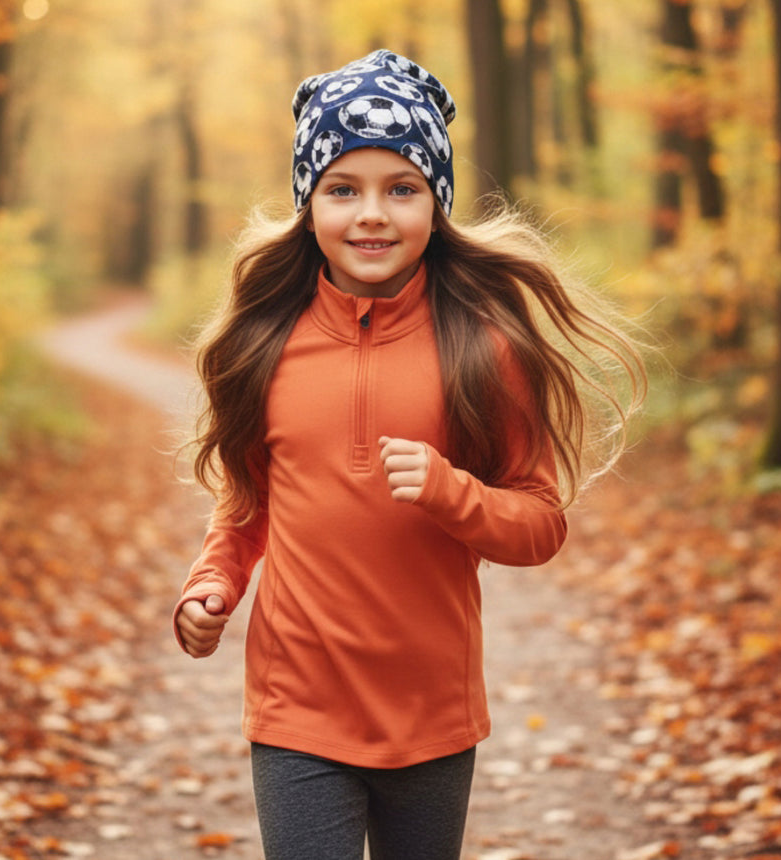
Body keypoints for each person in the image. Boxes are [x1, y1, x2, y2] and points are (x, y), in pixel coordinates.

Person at [173, 50, 645, 860]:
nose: (372, 215)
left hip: (431, 713)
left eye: (402, 188)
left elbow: (539, 526)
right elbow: (249, 501)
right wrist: (213, 581)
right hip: (297, 706)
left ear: (437, 203)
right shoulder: (264, 345)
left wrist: (452, 490)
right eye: (342, 189)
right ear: (308, 204)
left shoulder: (481, 349)